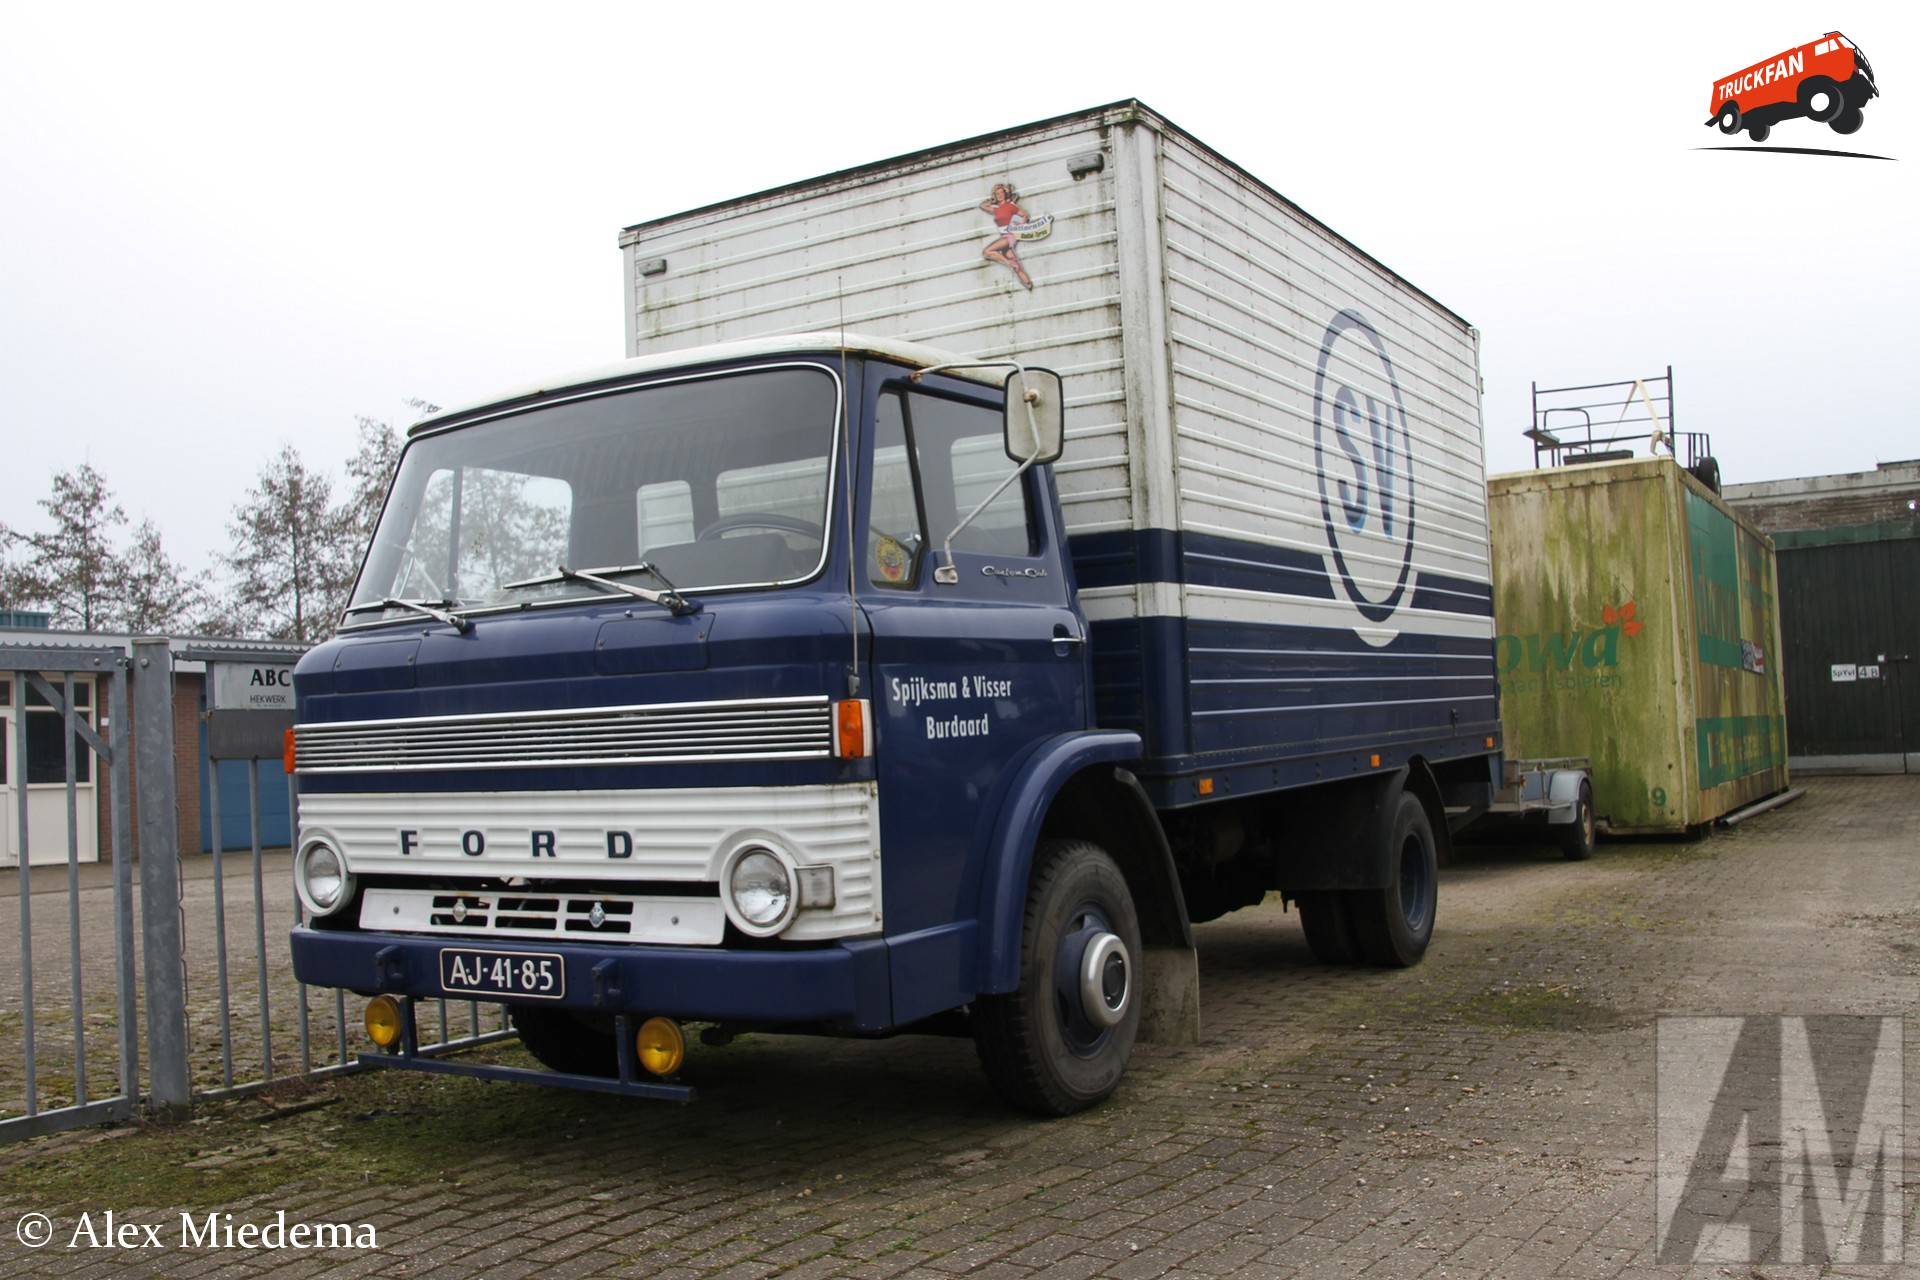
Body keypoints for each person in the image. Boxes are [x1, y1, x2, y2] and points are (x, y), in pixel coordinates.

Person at [980, 183, 1034, 290]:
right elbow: (982, 206)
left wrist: (1019, 227)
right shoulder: (996, 209)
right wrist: (993, 200)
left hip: (1009, 236)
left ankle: (1008, 263)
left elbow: (1024, 216)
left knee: (987, 252)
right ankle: (1028, 284)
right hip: (1004, 237)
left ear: (1005, 193)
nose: (999, 195)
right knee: (1016, 267)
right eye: (997, 193)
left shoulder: (1010, 206)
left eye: (1001, 193)